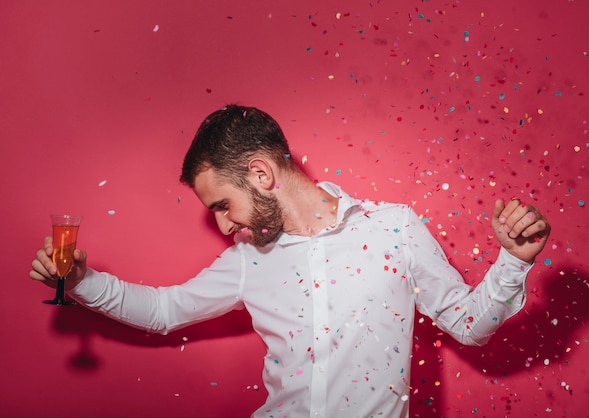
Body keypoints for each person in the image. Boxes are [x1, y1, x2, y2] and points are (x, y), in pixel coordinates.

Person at [30, 104, 551, 417]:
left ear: (260, 173)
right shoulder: (249, 260)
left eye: (221, 205)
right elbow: (166, 311)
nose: (223, 225)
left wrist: (512, 262)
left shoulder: (393, 227)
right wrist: (80, 280)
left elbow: (468, 324)